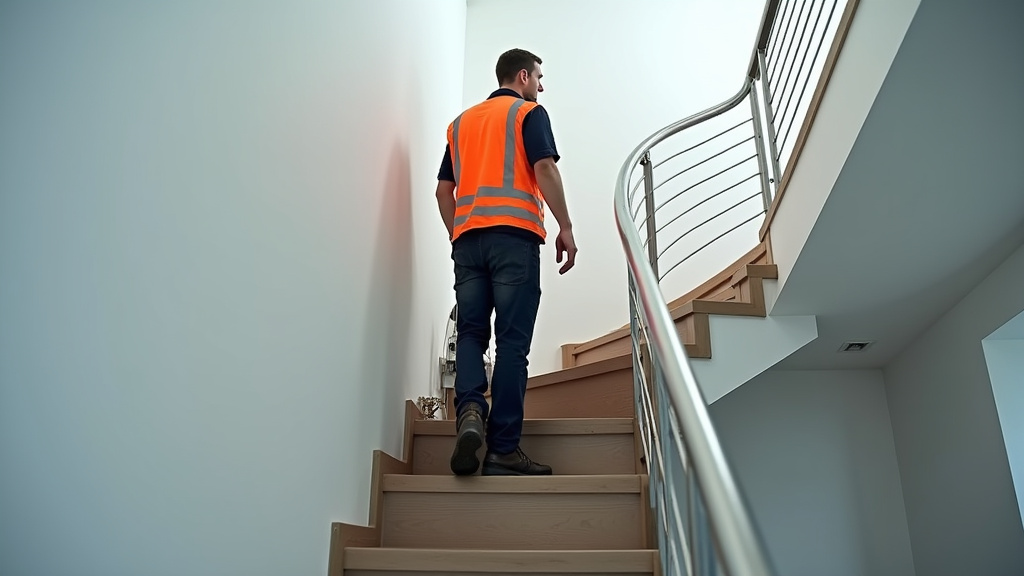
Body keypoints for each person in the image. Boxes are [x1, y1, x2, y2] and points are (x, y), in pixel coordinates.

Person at [435, 48, 577, 476]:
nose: (541, 86)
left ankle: (471, 413)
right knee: (512, 344)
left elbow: (444, 192)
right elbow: (545, 168)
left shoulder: (460, 125)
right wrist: (565, 225)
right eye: (538, 77)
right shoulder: (528, 114)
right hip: (514, 239)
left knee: (472, 334)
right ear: (522, 76)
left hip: (469, 243)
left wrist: (457, 233)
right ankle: (503, 450)